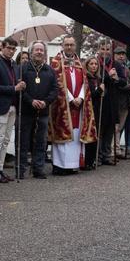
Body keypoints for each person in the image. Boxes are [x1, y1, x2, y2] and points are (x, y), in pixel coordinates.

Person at [49, 36, 93, 174]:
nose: (69, 47)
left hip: (78, 105)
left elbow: (84, 83)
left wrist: (80, 97)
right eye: (66, 45)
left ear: (75, 46)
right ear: (62, 45)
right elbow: (57, 83)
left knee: (75, 134)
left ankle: (72, 165)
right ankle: (60, 166)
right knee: (63, 135)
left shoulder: (79, 62)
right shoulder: (56, 62)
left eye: (71, 45)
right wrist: (70, 98)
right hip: (63, 105)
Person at [18, 41, 58, 178]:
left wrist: (45, 102)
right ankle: (21, 169)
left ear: (45, 53)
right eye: (36, 50)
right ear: (31, 52)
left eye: (41, 50)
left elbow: (54, 90)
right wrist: (31, 101)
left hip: (43, 112)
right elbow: (20, 90)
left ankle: (38, 169)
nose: (39, 52)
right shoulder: (23, 69)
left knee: (41, 142)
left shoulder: (50, 70)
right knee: (23, 141)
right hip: (26, 111)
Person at [0, 38, 24, 183]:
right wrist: (14, 88)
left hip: (13, 105)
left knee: (6, 139)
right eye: (9, 48)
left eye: (14, 49)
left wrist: (20, 84)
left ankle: (0, 169)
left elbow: (14, 82)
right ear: (2, 48)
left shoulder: (14, 64)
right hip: (1, 105)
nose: (11, 51)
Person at [96, 43, 126, 165]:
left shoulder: (116, 64)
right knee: (100, 129)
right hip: (100, 100)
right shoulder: (95, 63)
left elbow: (123, 82)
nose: (105, 51)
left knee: (109, 129)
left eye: (107, 49)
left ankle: (107, 154)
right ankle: (97, 155)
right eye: (102, 49)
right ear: (99, 49)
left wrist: (117, 78)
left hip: (113, 100)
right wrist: (108, 77)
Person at [83, 57, 104, 170]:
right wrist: (99, 90)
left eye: (96, 64)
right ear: (87, 65)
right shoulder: (86, 78)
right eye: (91, 64)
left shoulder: (98, 79)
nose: (94, 66)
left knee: (96, 136)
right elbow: (89, 95)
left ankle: (92, 160)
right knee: (89, 135)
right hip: (88, 110)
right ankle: (86, 161)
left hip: (97, 109)